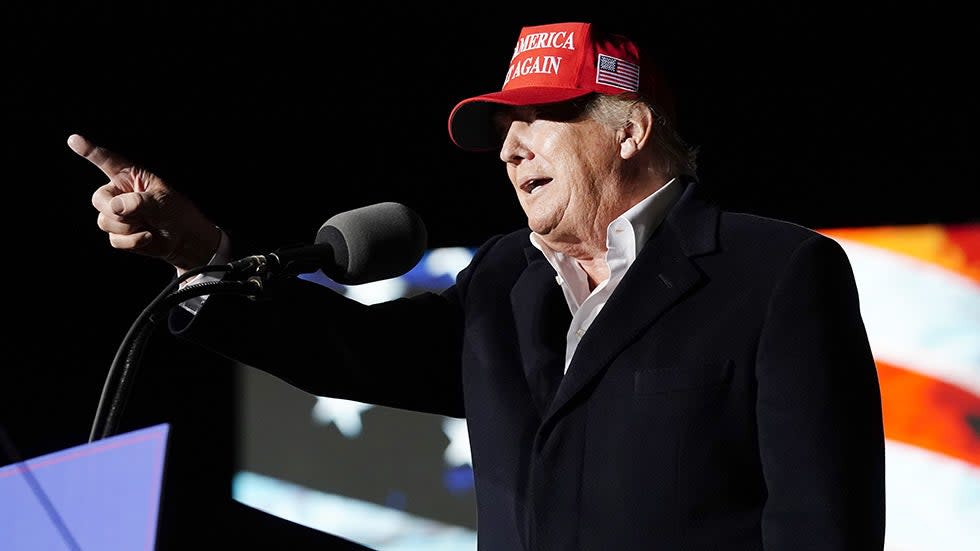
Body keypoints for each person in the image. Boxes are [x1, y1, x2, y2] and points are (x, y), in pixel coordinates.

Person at [70, 21, 886, 551]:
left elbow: (823, 527)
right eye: (502, 133)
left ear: (631, 129)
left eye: (536, 122)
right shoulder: (505, 281)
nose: (510, 150)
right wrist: (201, 253)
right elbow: (353, 350)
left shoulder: (776, 274)